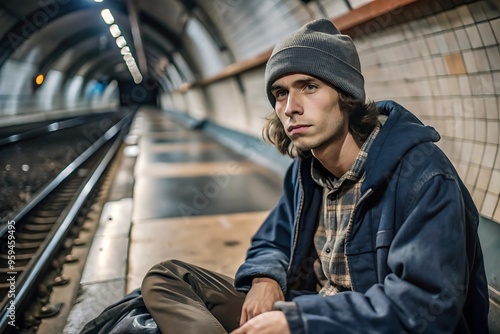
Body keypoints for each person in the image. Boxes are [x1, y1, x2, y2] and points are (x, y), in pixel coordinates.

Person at [141, 18, 489, 334]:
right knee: (168, 277)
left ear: (346, 96)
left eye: (308, 86)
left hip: (357, 326)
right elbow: (272, 240)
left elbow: (423, 308)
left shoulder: (422, 177)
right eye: (280, 93)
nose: (290, 107)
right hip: (306, 311)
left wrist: (299, 320)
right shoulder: (306, 173)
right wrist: (266, 277)